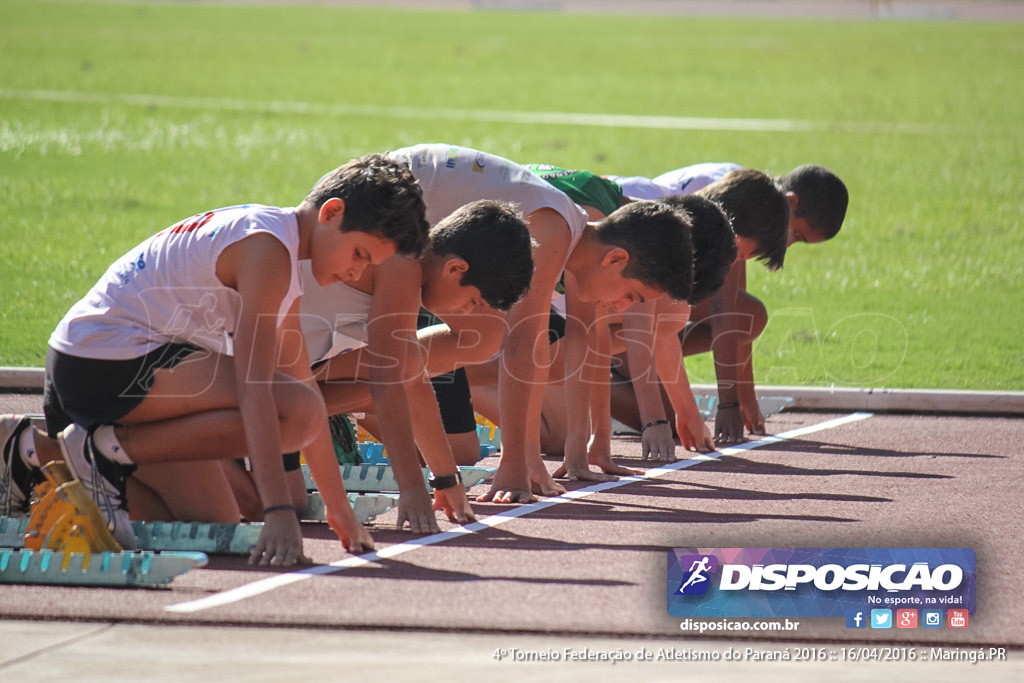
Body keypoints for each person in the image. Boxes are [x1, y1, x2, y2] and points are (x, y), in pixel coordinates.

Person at [0, 154, 428, 565]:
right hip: (101, 366)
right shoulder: (268, 250)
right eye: (359, 255)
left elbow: (298, 376)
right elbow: (257, 388)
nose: (357, 274)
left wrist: (340, 512)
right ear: (331, 212)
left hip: (99, 372)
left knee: (212, 523)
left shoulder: (283, 256)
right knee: (297, 411)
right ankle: (103, 451)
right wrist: (279, 508)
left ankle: (37, 453)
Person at [361, 144, 694, 504]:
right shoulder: (554, 230)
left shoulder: (569, 230)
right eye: (632, 295)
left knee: (485, 338)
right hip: (377, 210)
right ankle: (338, 386)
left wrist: (539, 455)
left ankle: (342, 393)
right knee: (482, 340)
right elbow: (523, 346)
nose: (622, 307)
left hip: (404, 215)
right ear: (615, 259)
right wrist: (514, 463)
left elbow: (550, 344)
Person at [253, 199, 535, 538]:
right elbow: (397, 384)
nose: (466, 310)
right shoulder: (401, 267)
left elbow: (410, 377)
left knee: (288, 496)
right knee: (256, 505)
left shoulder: (406, 262)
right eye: (473, 301)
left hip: (279, 374)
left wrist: (446, 478)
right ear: (455, 269)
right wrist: (414, 488)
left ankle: (277, 428)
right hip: (240, 377)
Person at [608, 163, 848, 441]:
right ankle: (581, 366)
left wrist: (745, 398)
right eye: (797, 235)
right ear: (790, 202)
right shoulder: (743, 207)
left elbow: (731, 314)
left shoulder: (751, 198)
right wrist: (728, 404)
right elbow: (725, 312)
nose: (789, 244)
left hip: (640, 271)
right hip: (621, 245)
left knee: (671, 413)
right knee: (746, 314)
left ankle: (613, 360)